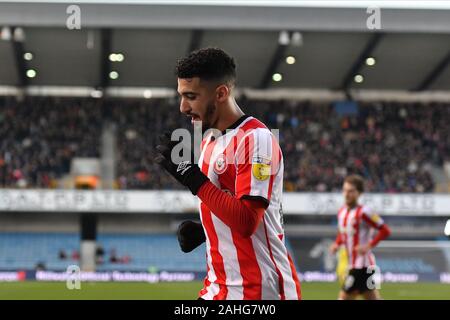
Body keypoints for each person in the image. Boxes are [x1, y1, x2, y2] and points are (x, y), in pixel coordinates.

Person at [155, 47, 301, 300]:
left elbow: (246, 220)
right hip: (219, 287)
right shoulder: (209, 141)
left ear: (221, 93)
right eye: (181, 96)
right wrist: (206, 230)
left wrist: (193, 178)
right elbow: (227, 203)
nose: (182, 107)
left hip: (259, 291)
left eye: (191, 96)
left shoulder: (257, 139)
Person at [329, 174, 391, 300]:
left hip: (362, 266)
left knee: (343, 298)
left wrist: (368, 246)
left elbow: (385, 230)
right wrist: (337, 243)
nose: (347, 194)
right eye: (345, 190)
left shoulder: (365, 212)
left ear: (359, 193)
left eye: (351, 191)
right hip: (353, 265)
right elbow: (343, 233)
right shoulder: (341, 212)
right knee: (372, 298)